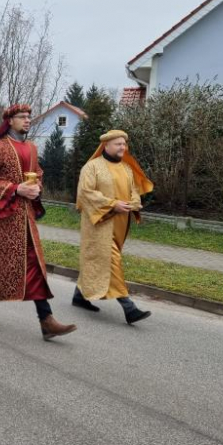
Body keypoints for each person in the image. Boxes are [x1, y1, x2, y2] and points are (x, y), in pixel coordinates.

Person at [0, 104, 77, 339]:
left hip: (25, 220)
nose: (27, 120)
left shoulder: (32, 148)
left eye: (29, 116)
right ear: (9, 120)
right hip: (1, 219)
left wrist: (35, 189)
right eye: (22, 116)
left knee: (34, 266)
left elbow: (38, 174)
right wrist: (15, 188)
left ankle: (46, 320)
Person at [73, 130, 154, 324]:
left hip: (120, 225)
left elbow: (134, 190)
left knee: (99, 261)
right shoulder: (92, 167)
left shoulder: (126, 168)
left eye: (124, 144)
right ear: (106, 145)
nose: (122, 148)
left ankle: (78, 296)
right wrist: (112, 204)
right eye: (118, 144)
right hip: (99, 224)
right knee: (111, 261)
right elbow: (85, 193)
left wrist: (134, 202)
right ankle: (129, 308)